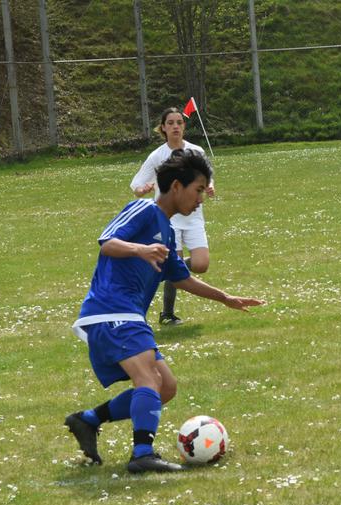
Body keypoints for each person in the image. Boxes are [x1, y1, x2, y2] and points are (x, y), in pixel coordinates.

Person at [65, 150, 264, 473]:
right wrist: (140, 249)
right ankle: (142, 454)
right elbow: (107, 242)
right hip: (112, 309)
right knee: (147, 378)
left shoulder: (168, 232)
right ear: (176, 186)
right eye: (198, 190)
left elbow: (181, 278)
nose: (201, 198)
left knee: (165, 387)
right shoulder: (143, 209)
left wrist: (226, 297)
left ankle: (88, 420)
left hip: (127, 315)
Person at [131, 107, 216, 325]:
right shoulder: (157, 156)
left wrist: (209, 186)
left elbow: (207, 175)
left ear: (184, 126)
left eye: (179, 122)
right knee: (175, 269)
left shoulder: (196, 151)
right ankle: (167, 314)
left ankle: (171, 268)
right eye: (170, 123)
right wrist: (142, 190)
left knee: (201, 264)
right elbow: (137, 184)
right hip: (169, 219)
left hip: (194, 217)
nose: (176, 126)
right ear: (163, 128)